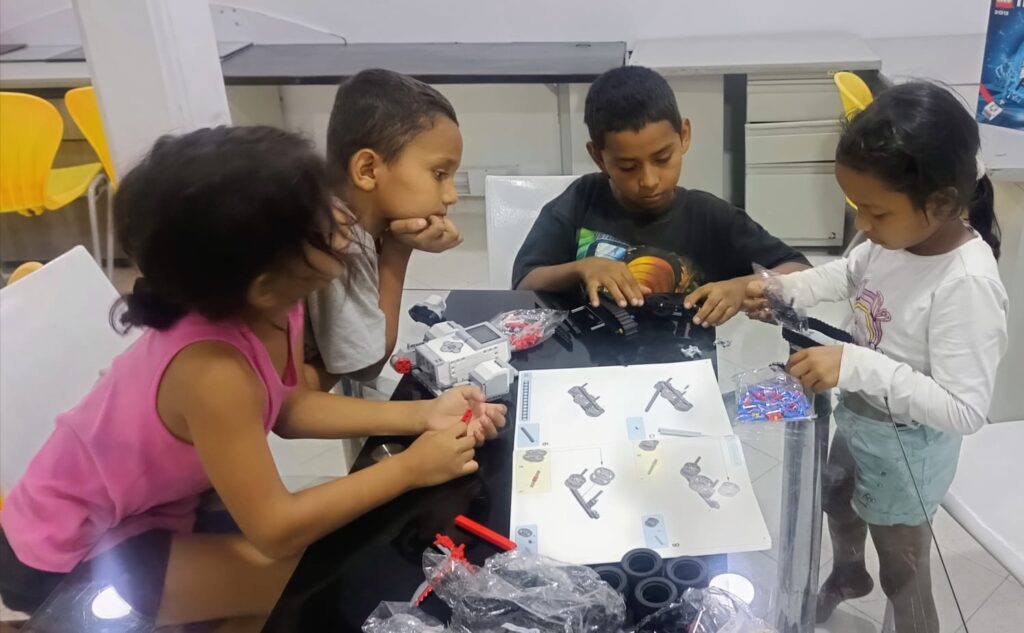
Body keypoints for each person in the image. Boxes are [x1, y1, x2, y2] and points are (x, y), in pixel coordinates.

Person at [0, 126, 505, 630]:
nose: (342, 217)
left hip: (161, 509)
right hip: (64, 552)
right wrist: (410, 469)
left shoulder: (273, 305)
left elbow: (290, 407)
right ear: (265, 283)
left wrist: (423, 414)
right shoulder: (211, 372)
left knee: (328, 561)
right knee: (318, 583)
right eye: (321, 213)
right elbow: (276, 529)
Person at [748, 82, 1008, 632]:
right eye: (856, 208)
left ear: (941, 204)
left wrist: (852, 363)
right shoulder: (894, 241)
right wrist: (786, 290)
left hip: (909, 449)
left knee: (903, 571)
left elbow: (965, 410)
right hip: (863, 417)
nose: (862, 226)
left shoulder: (966, 283)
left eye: (876, 212)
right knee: (837, 498)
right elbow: (850, 272)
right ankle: (848, 573)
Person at [512, 65, 808, 327]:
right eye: (627, 167)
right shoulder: (582, 199)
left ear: (684, 135)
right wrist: (581, 268)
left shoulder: (709, 217)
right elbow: (524, 283)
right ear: (598, 157)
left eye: (663, 158)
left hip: (687, 360)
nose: (649, 181)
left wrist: (742, 287)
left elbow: (800, 271)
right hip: (588, 355)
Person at [306, 69, 465, 389]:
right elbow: (367, 364)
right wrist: (398, 250)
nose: (451, 196)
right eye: (439, 174)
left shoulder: (326, 206)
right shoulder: (341, 238)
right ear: (367, 170)